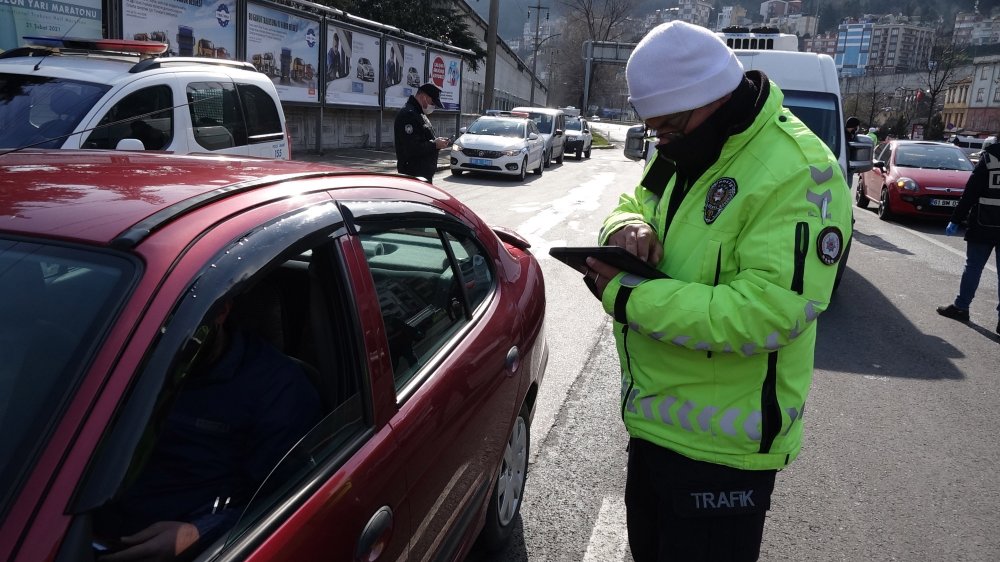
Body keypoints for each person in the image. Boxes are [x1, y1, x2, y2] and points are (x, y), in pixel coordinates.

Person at [583, 21, 851, 561]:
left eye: (670, 126)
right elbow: (634, 202)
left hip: (723, 455)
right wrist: (626, 230)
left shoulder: (802, 172)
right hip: (653, 428)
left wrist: (627, 296)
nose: (661, 138)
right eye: (653, 128)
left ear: (712, 98)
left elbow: (769, 313)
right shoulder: (682, 146)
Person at [95, 293, 323, 560]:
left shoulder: (277, 389)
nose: (161, 340)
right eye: (148, 323)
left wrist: (199, 534)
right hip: (76, 526)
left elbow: (286, 498)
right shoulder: (115, 359)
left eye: (176, 323)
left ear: (222, 311)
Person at [936, 140, 1000, 336]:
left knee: (973, 267)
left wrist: (956, 219)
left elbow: (970, 192)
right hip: (985, 223)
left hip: (984, 222)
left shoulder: (989, 158)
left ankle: (961, 307)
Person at [394, 82, 449, 183]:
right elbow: (412, 148)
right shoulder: (408, 115)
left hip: (422, 175)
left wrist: (437, 142)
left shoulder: (418, 113)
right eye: (432, 103)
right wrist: (435, 144)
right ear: (423, 97)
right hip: (413, 176)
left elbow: (423, 139)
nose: (433, 107)